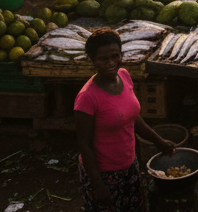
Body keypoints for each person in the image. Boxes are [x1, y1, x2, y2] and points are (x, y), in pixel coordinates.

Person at [74, 28, 177, 212]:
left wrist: (158, 141)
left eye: (115, 56)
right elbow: (84, 144)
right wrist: (98, 185)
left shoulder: (124, 76)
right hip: (104, 174)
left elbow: (132, 118)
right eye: (103, 59)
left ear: (121, 54)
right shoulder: (87, 98)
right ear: (93, 60)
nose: (111, 63)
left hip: (129, 165)